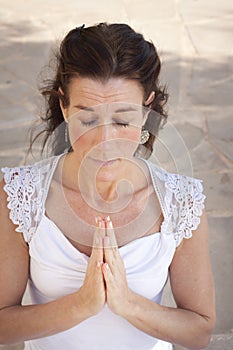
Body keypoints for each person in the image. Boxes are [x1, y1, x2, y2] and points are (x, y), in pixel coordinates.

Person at [0, 23, 216, 350]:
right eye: (87, 120)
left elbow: (199, 332)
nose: (104, 141)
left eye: (122, 120)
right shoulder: (20, 195)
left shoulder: (181, 203)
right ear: (63, 106)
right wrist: (81, 304)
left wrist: (127, 303)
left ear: (146, 110)